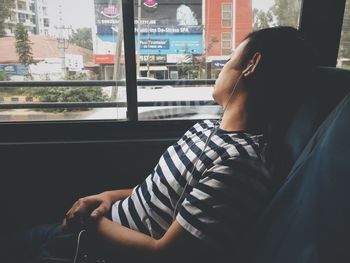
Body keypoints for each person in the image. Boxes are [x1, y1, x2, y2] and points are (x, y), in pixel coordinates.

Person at [1, 27, 316, 263]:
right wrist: (103, 197)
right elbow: (156, 191)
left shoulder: (239, 165)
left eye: (230, 59)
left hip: (87, 251)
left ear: (251, 64)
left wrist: (94, 223)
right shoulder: (205, 128)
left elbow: (165, 254)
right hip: (78, 235)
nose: (221, 68)